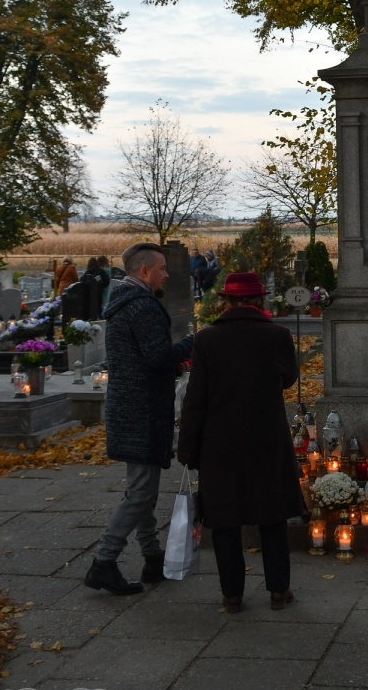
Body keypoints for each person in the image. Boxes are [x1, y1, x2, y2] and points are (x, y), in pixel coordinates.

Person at [177, 271, 303, 612]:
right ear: (260, 300)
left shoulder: (207, 339)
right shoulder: (277, 335)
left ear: (226, 301)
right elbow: (290, 379)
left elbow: (196, 398)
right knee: (272, 517)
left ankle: (232, 595)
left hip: (221, 442)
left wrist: (187, 446)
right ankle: (279, 591)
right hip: (266, 439)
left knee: (225, 520)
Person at [85, 242, 194, 595]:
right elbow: (158, 356)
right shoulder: (143, 306)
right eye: (162, 269)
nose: (166, 274)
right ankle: (103, 561)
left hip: (131, 406)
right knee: (140, 493)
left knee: (142, 489)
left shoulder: (124, 302)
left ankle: (151, 556)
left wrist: (176, 361)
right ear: (143, 271)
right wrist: (195, 343)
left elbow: (145, 358)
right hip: (142, 410)